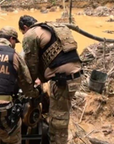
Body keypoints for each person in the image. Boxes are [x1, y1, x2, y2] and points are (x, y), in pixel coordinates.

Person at [18, 15, 83, 144]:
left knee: (58, 120)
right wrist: (42, 79)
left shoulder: (30, 34)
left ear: (25, 28)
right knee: (61, 113)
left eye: (22, 32)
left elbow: (31, 65)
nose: (24, 35)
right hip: (75, 75)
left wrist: (29, 87)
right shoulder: (50, 28)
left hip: (62, 81)